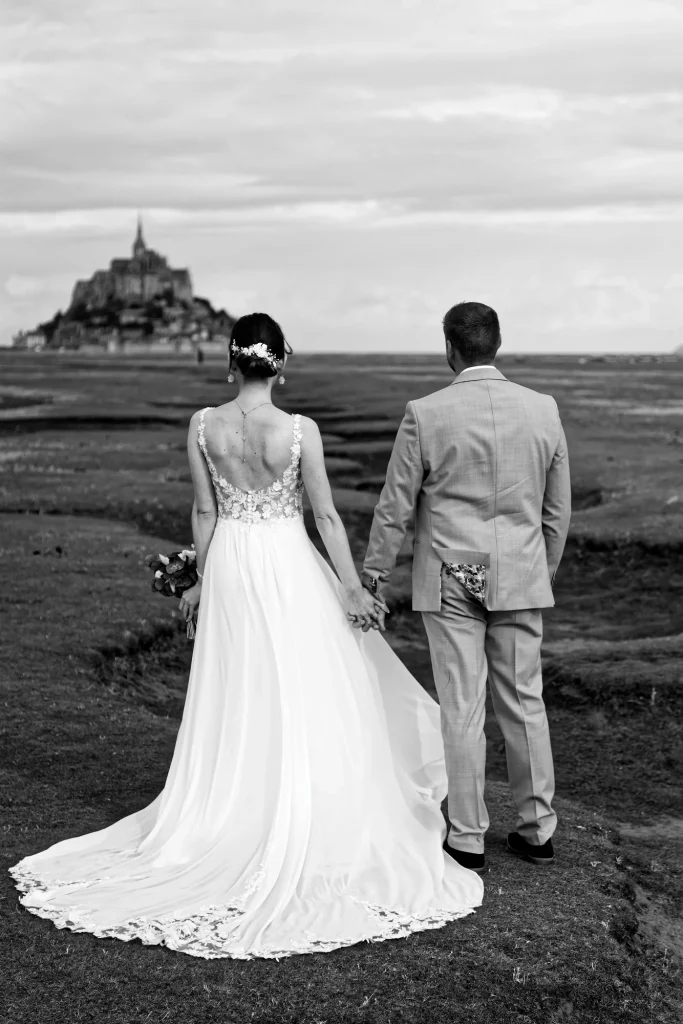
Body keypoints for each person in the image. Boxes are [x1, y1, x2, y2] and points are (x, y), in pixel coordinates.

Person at [9, 312, 483, 960]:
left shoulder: (203, 426)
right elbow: (324, 516)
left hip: (231, 560)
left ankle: (232, 812)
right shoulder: (297, 431)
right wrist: (349, 587)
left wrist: (199, 581)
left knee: (241, 685)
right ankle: (300, 812)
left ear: (232, 362)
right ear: (280, 364)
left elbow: (204, 509)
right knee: (302, 683)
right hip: (287, 563)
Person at [362, 301, 571, 875]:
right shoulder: (544, 409)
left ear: (450, 347)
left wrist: (373, 573)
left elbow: (395, 505)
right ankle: (536, 830)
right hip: (522, 574)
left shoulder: (426, 413)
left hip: (452, 574)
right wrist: (539, 572)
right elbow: (557, 511)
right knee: (525, 702)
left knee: (462, 705)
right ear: (496, 345)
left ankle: (469, 837)